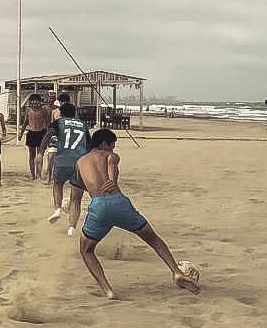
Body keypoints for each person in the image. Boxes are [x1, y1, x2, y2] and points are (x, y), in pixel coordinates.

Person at [75, 128, 200, 299]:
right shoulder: (109, 155)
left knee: (86, 250)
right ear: (104, 144)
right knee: (153, 239)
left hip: (98, 207)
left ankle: (108, 290)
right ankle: (176, 272)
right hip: (119, 202)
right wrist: (112, 179)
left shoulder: (80, 161)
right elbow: (111, 161)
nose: (112, 149)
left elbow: (81, 185)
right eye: (112, 145)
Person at [44, 102, 90, 236]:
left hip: (62, 161)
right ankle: (71, 228)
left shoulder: (58, 123)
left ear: (61, 113)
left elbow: (48, 135)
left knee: (57, 184)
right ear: (75, 113)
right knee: (76, 199)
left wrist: (41, 152)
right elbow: (89, 146)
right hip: (79, 163)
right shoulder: (83, 125)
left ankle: (58, 209)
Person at [42, 92, 71, 184]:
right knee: (51, 157)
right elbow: (50, 124)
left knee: (64, 158)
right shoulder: (55, 111)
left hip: (66, 136)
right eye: (62, 102)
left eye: (65, 102)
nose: (63, 104)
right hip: (55, 136)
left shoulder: (72, 111)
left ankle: (61, 177)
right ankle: (49, 177)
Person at [18, 93, 48, 179]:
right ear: (31, 102)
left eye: (37, 101)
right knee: (32, 155)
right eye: (33, 101)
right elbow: (24, 123)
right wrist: (20, 134)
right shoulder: (28, 110)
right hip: (31, 133)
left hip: (41, 133)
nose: (35, 103)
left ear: (39, 102)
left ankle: (38, 173)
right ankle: (32, 174)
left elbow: (47, 123)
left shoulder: (43, 110)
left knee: (40, 154)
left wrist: (48, 135)